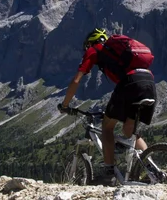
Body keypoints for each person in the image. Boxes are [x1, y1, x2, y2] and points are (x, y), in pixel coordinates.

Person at [57, 28, 157, 186]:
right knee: (129, 132)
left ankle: (109, 174)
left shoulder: (94, 49)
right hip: (149, 81)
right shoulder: (118, 51)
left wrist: (65, 105)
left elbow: (77, 80)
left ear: (92, 42)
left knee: (107, 127)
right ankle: (154, 169)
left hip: (130, 83)